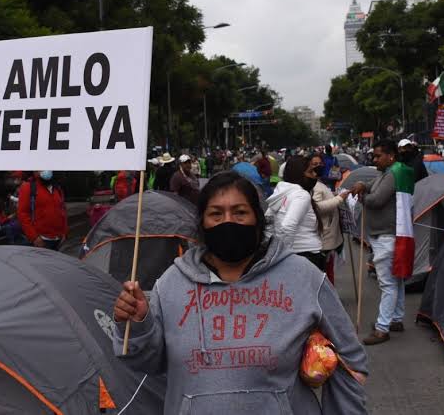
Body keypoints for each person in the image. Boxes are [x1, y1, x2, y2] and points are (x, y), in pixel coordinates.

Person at [113, 171, 368, 414]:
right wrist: (138, 325)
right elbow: (147, 363)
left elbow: (350, 359)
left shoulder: (303, 276)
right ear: (202, 222)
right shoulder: (171, 284)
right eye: (216, 214)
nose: (228, 222)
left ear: (258, 219)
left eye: (240, 212)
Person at [351, 140, 415, 346]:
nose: (374, 159)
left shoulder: (392, 174)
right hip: (387, 234)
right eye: (374, 156)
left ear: (391, 156)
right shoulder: (389, 173)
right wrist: (364, 186)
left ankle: (382, 328)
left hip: (386, 236)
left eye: (378, 156)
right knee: (396, 280)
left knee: (387, 283)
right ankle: (396, 319)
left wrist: (361, 198)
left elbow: (377, 200)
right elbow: (374, 187)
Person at [266, 155, 325, 271]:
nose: (314, 175)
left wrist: (270, 250)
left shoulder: (282, 192)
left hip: (299, 254)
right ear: (299, 174)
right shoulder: (301, 195)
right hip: (305, 255)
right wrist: (282, 256)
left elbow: (267, 222)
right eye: (310, 171)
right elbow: (288, 227)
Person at [310, 154, 349, 284]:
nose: (318, 166)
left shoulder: (320, 181)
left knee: (328, 270)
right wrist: (339, 198)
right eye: (314, 164)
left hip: (327, 235)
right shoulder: (313, 185)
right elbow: (317, 207)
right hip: (323, 236)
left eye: (320, 163)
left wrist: (333, 195)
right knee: (324, 273)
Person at [17, 171, 68, 250]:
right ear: (34, 172)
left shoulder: (57, 188)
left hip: (58, 239)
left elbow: (62, 210)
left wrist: (64, 232)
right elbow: (23, 214)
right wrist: (34, 237)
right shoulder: (28, 187)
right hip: (41, 241)